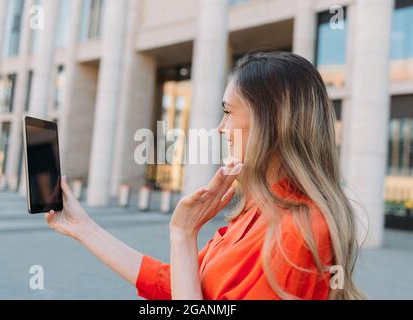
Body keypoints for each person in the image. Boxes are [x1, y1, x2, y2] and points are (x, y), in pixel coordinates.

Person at [45, 51, 365, 300]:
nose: (220, 127)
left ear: (271, 121)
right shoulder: (254, 214)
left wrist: (183, 235)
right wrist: (83, 227)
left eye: (228, 112)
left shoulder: (300, 230)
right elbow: (178, 284)